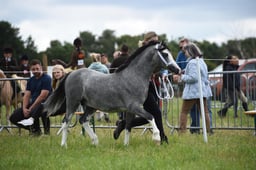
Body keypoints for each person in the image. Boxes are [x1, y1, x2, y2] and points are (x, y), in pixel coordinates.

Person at [113, 31, 168, 144]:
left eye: (157, 41)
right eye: (154, 41)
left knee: (152, 113)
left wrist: (162, 73)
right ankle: (162, 137)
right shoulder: (141, 53)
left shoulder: (153, 52)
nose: (156, 43)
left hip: (150, 84)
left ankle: (123, 124)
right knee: (156, 112)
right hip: (141, 87)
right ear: (147, 41)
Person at [173, 43, 211, 134]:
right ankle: (208, 131)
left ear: (190, 51)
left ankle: (182, 132)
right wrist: (183, 72)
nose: (184, 53)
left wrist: (181, 77)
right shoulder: (201, 61)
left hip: (193, 92)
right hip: (202, 91)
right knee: (205, 112)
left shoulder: (192, 62)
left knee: (184, 112)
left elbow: (194, 77)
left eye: (185, 51)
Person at [9, 59, 52, 136]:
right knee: (13, 117)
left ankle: (46, 133)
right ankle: (35, 130)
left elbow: (43, 96)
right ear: (30, 70)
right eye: (33, 69)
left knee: (36, 110)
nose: (35, 71)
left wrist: (31, 108)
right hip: (33, 104)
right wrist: (24, 109)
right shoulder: (30, 80)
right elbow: (27, 95)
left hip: (45, 104)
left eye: (37, 69)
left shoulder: (47, 78)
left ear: (41, 68)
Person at [175, 37, 201, 134]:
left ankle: (191, 130)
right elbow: (177, 66)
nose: (183, 50)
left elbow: (193, 76)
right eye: (181, 47)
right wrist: (179, 73)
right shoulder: (180, 55)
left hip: (193, 86)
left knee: (186, 111)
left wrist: (182, 76)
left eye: (184, 48)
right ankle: (196, 129)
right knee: (194, 109)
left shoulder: (194, 61)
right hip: (188, 85)